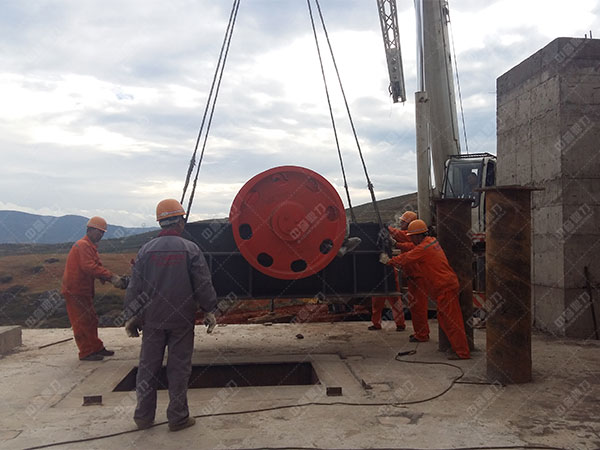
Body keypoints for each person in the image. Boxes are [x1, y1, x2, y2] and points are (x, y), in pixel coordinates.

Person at [125, 199, 217, 432]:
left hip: (152, 320)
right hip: (181, 321)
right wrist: (209, 309)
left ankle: (143, 418)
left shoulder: (146, 250)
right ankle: (177, 418)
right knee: (178, 369)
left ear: (160, 222)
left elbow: (135, 286)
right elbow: (203, 283)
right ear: (180, 222)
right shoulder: (190, 249)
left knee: (147, 368)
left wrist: (133, 316)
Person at [380, 219, 470, 360]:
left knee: (452, 321)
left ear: (417, 236)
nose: (410, 239)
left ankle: (462, 353)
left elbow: (407, 257)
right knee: (446, 319)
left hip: (444, 287)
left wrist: (389, 261)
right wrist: (396, 244)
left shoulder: (423, 249)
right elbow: (411, 247)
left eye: (411, 236)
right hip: (445, 286)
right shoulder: (431, 242)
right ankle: (459, 350)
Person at [61, 216, 124, 361]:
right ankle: (86, 352)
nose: (101, 235)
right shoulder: (83, 245)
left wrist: (107, 277)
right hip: (75, 290)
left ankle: (96, 347)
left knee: (91, 319)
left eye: (102, 232)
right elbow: (89, 267)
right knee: (81, 321)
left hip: (83, 290)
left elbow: (96, 265)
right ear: (90, 230)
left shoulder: (90, 246)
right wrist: (111, 277)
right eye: (99, 231)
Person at [387, 211, 430, 342]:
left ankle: (422, 335)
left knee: (419, 308)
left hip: (418, 277)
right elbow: (406, 245)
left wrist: (386, 228)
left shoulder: (409, 236)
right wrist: (396, 244)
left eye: (403, 222)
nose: (401, 224)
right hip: (413, 277)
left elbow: (405, 247)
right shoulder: (414, 239)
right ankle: (420, 333)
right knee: (415, 307)